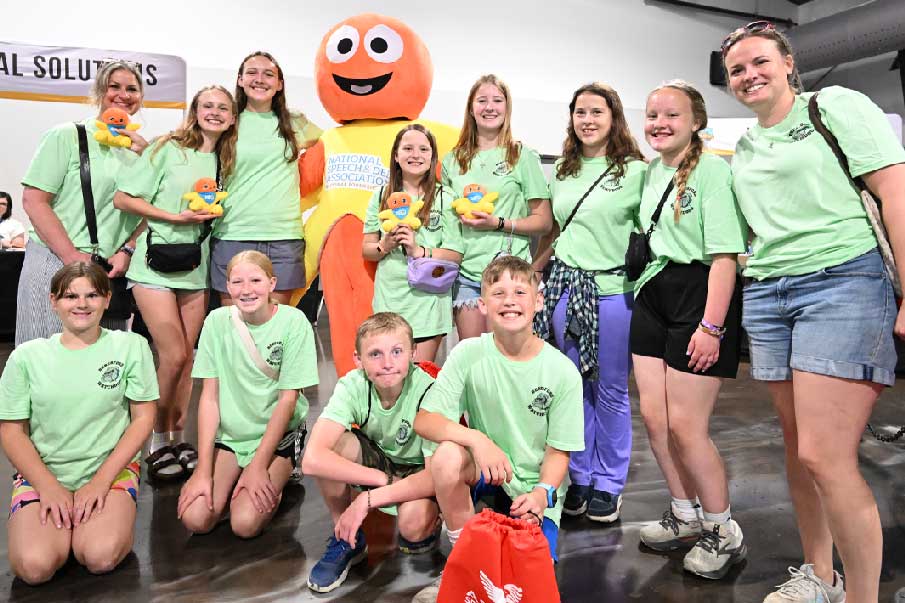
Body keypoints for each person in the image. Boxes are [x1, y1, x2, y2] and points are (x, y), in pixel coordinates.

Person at [723, 22, 905, 603]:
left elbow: (896, 192)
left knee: (824, 455)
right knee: (798, 445)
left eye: (758, 62)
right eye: (736, 70)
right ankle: (818, 576)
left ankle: (863, 597)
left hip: (843, 282)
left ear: (788, 63)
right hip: (770, 292)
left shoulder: (836, 106)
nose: (749, 75)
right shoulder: (746, 145)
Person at [411, 255, 583, 603]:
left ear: (538, 301)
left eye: (520, 291)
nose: (509, 300)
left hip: (534, 489)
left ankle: (521, 535)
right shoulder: (468, 353)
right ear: (483, 304)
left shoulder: (562, 371)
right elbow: (425, 420)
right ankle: (463, 558)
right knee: (446, 454)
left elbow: (558, 452)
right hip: (486, 475)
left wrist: (542, 494)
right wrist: (476, 439)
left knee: (525, 587)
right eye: (499, 292)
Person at [629, 80, 748, 579]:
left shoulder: (715, 172)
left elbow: (726, 257)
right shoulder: (652, 171)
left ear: (696, 122)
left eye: (671, 115)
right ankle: (684, 515)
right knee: (655, 421)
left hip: (700, 296)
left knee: (687, 427)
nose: (659, 123)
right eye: (653, 114)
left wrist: (712, 328)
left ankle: (723, 529)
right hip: (654, 292)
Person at [0, 262, 158, 584]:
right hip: (45, 473)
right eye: (71, 296)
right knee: (34, 567)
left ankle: (100, 520)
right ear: (53, 301)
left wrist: (100, 482)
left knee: (100, 555)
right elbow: (12, 431)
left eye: (92, 295)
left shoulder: (130, 347)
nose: (82, 304)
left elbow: (143, 420)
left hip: (109, 471)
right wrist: (48, 487)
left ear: (107, 299)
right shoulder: (26, 357)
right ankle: (60, 527)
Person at [533, 83, 646, 523]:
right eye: (580, 112)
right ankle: (578, 474)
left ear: (614, 117)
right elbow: (558, 229)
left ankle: (609, 482)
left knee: (611, 389)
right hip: (565, 289)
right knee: (573, 387)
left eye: (597, 112)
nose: (588, 120)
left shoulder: (636, 171)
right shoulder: (562, 168)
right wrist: (533, 270)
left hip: (615, 291)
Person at [113, 85, 238, 481]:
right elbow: (124, 199)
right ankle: (153, 438)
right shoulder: (167, 147)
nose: (214, 113)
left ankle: (176, 436)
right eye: (207, 106)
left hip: (196, 267)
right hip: (153, 265)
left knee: (188, 362)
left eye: (223, 107)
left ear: (233, 117)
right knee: (174, 355)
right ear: (194, 110)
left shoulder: (227, 159)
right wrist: (174, 218)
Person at [177, 250, 318, 539]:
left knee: (244, 524)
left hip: (277, 437)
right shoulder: (216, 322)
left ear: (271, 284)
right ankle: (235, 478)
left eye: (255, 280)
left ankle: (281, 470)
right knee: (196, 518)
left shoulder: (294, 322)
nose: (246, 289)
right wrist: (202, 470)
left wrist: (257, 466)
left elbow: (288, 400)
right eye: (237, 282)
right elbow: (209, 398)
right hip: (232, 438)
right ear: (227, 287)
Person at [302, 312, 440, 593]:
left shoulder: (429, 391)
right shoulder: (353, 384)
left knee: (413, 526)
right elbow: (312, 459)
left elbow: (435, 475)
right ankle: (345, 537)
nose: (387, 363)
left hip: (419, 469)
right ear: (358, 359)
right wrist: (380, 479)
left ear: (414, 353)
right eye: (375, 354)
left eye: (397, 352)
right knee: (335, 445)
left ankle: (435, 518)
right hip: (380, 463)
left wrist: (368, 498)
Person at [16, 60, 149, 345]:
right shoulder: (67, 135)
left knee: (102, 364)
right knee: (42, 355)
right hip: (54, 259)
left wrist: (128, 249)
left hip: (108, 271)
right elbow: (34, 200)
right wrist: (71, 256)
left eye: (132, 89)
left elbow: (150, 212)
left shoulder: (141, 151)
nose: (123, 95)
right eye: (114, 86)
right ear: (100, 90)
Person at [441, 74, 552, 340]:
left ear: (507, 107)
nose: (489, 107)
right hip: (466, 275)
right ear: (471, 108)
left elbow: (544, 221)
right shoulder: (452, 161)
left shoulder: (522, 156)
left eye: (497, 100)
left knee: (509, 359)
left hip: (511, 275)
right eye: (482, 100)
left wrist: (498, 223)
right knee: (475, 361)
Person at [209, 51, 321, 307]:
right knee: (237, 327)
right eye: (252, 73)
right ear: (240, 80)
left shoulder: (295, 122)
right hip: (232, 234)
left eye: (268, 74)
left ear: (279, 84)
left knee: (275, 327)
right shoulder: (227, 121)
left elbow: (336, 148)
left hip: (284, 237)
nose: (260, 79)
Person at [362, 124, 464, 363]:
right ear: (396, 156)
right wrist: (384, 246)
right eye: (407, 148)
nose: (415, 155)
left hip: (429, 302)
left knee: (419, 376)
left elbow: (455, 253)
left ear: (432, 157)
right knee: (390, 375)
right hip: (390, 301)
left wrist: (420, 251)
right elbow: (366, 249)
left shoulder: (445, 198)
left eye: (423, 149)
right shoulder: (380, 196)